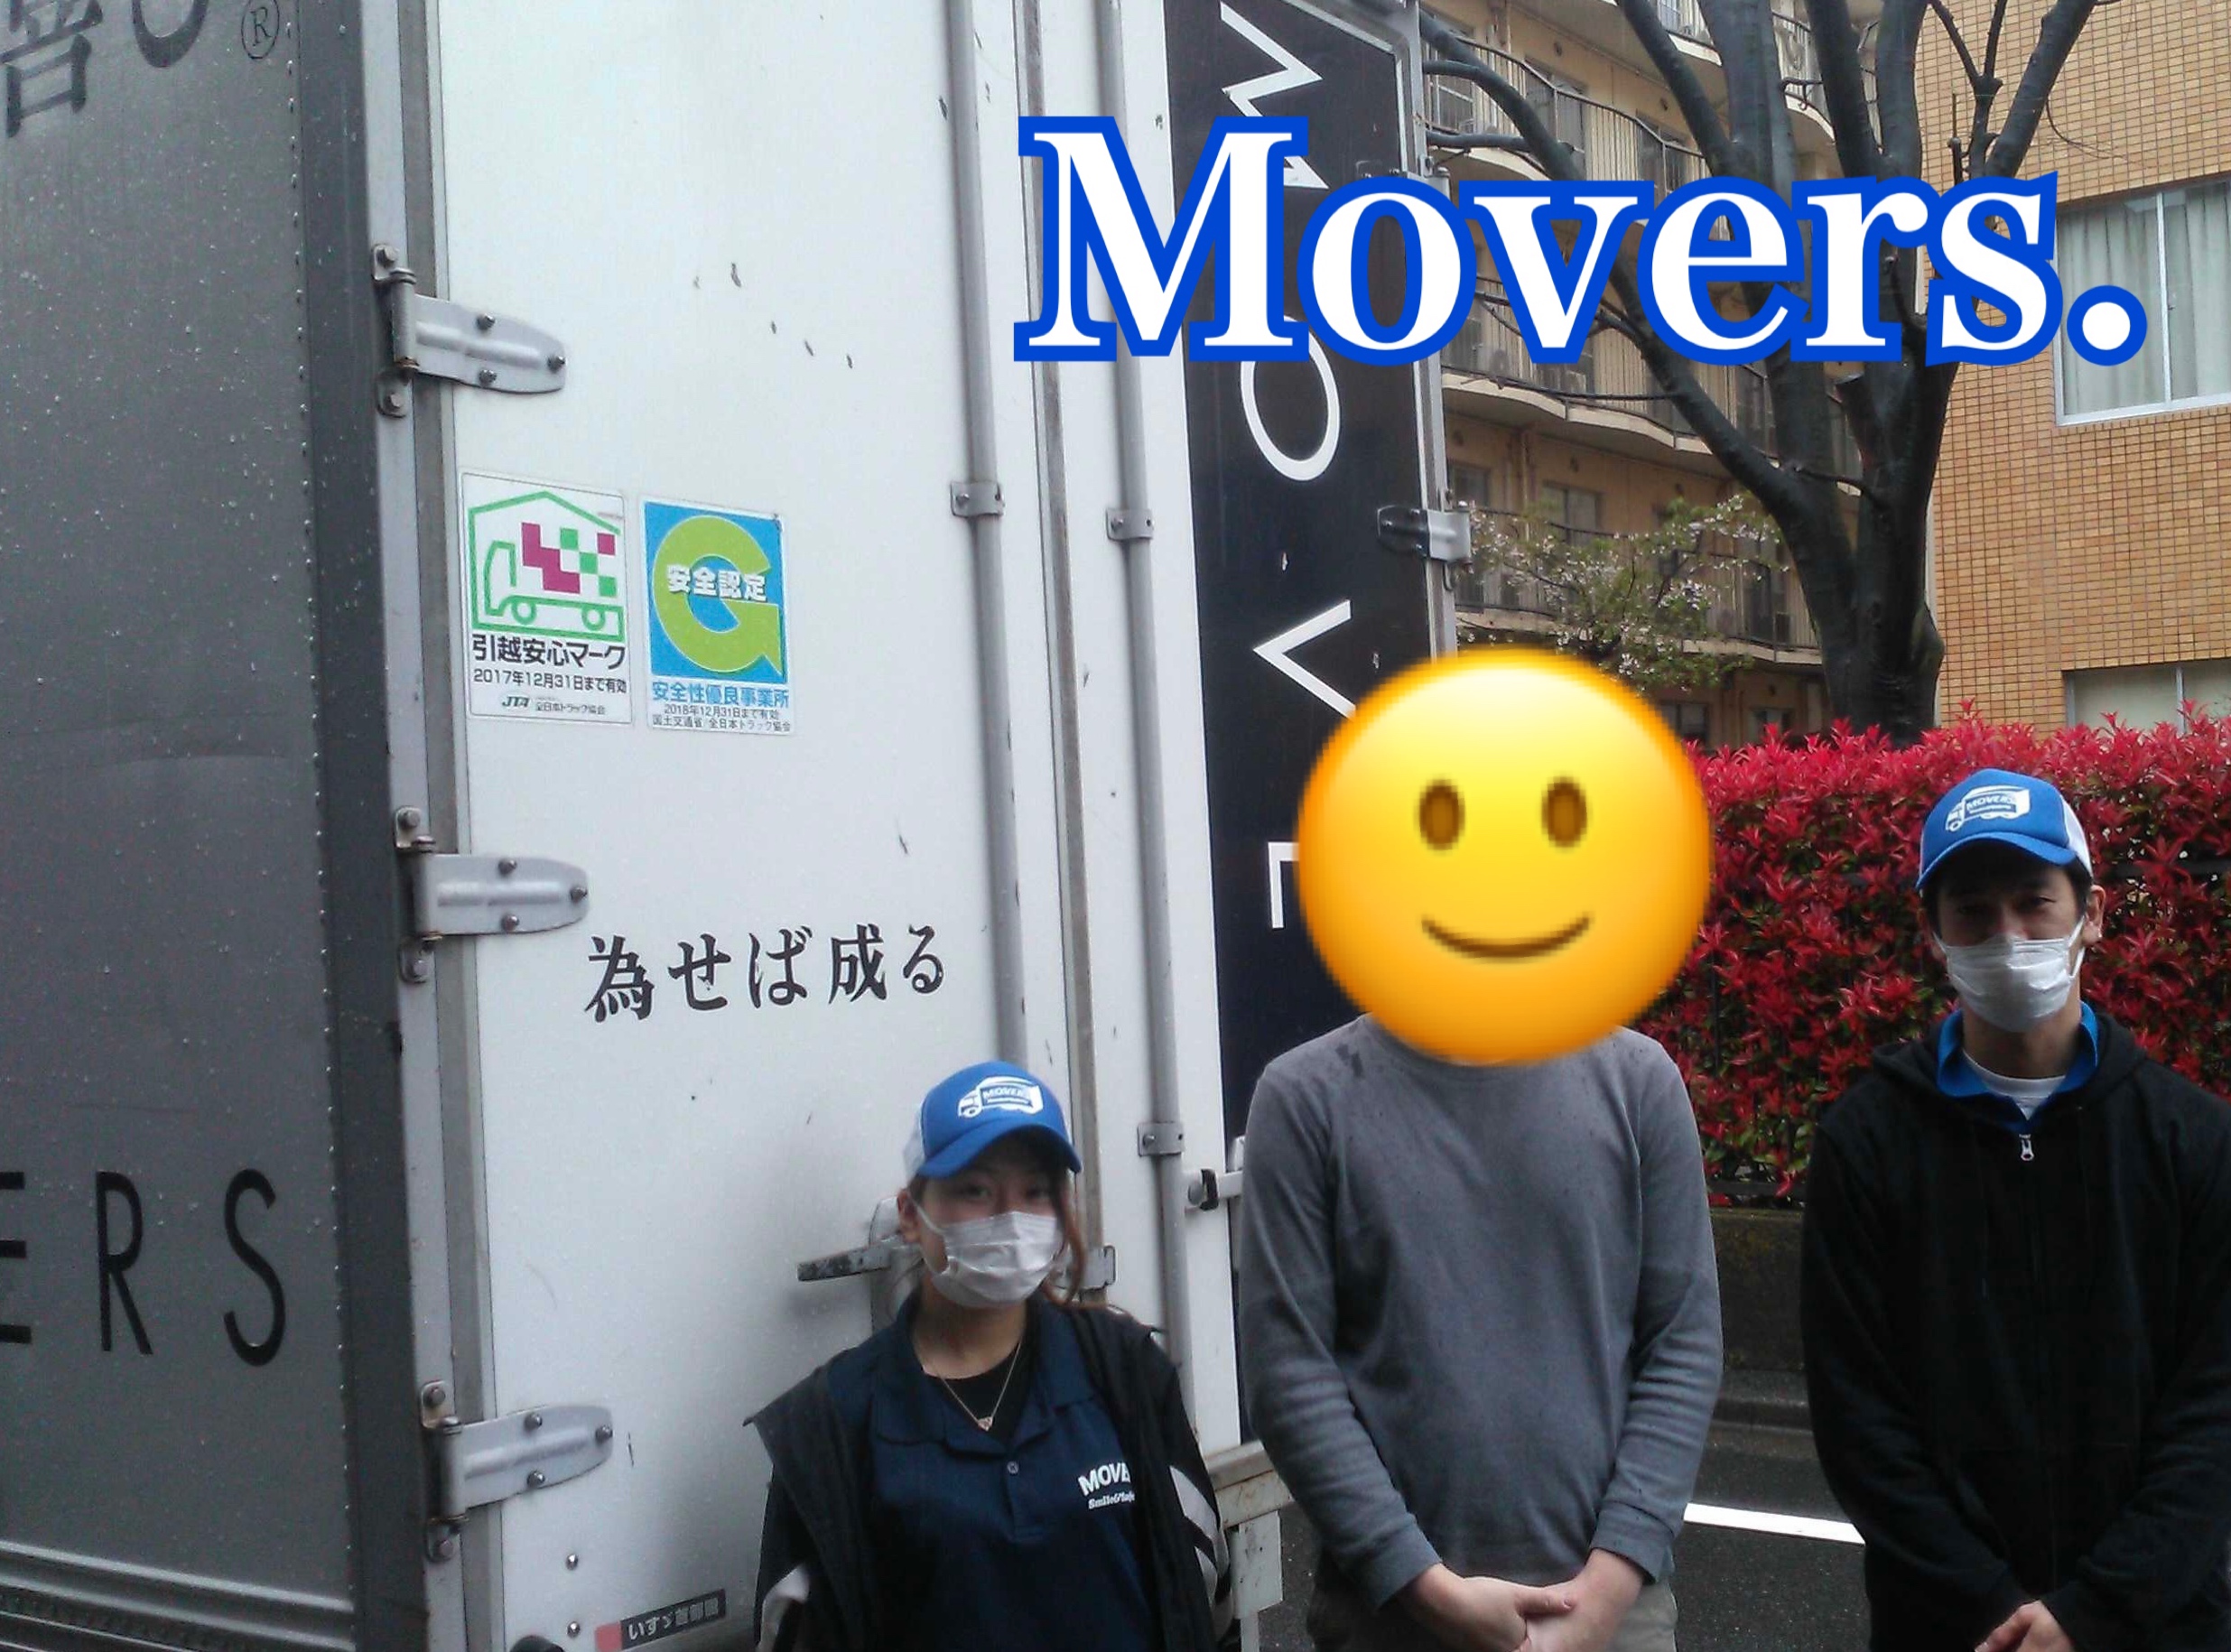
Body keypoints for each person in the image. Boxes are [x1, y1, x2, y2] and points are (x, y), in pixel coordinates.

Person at [1801, 767, 2231, 1652]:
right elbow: (1858, 1421)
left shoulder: (2190, 1139)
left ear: (2091, 913)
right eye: (1971, 911)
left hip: (2158, 1626)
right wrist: (1989, 1609)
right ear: (1932, 934)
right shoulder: (1865, 1143)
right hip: (1948, 1629)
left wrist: (2097, 1608)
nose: (2007, 936)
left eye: (2034, 903)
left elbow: (2214, 1407)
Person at [1238, 1019, 1724, 1651]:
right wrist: (1424, 1586)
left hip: (1614, 1617)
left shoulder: (1638, 1080)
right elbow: (1288, 1375)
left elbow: (1682, 1344)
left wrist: (1604, 1596)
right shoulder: (1304, 1097)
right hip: (1390, 1619)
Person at [749, 1060, 1236, 1652]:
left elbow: (1202, 1588)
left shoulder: (1123, 1369)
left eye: (1035, 1191)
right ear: (911, 1215)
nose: (1010, 1218)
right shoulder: (831, 1425)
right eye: (975, 1190)